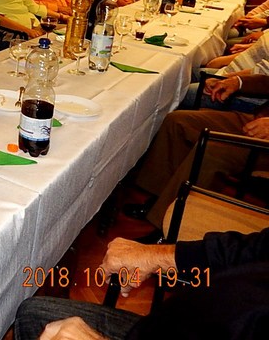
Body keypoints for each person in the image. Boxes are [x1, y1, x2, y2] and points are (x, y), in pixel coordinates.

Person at [14, 228, 269, 339]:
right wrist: (156, 256)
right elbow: (255, 248)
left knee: (40, 319)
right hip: (171, 327)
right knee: (32, 312)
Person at [128, 74, 269, 231]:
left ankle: (168, 227)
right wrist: (237, 81)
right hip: (259, 119)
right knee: (177, 122)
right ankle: (160, 201)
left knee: (212, 150)